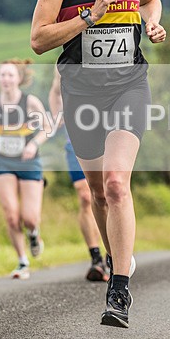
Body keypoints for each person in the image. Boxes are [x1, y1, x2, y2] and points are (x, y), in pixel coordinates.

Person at [22, 0, 166, 328]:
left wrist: (152, 23)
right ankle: (117, 254)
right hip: (81, 92)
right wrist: (90, 16)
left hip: (128, 86)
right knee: (99, 193)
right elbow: (38, 39)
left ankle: (118, 287)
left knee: (118, 184)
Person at [0, 59, 52, 280]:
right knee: (11, 215)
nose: (6, 79)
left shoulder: (30, 102)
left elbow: (47, 128)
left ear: (19, 78)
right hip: (3, 163)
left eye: (10, 75)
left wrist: (33, 144)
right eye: (2, 75)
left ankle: (34, 234)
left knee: (29, 218)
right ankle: (22, 261)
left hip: (29, 162)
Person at [49, 66, 110, 282]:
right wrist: (57, 116)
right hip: (74, 139)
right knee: (86, 196)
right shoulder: (66, 60)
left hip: (107, 135)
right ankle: (96, 258)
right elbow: (55, 90)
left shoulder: (104, 55)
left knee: (109, 194)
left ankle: (113, 255)